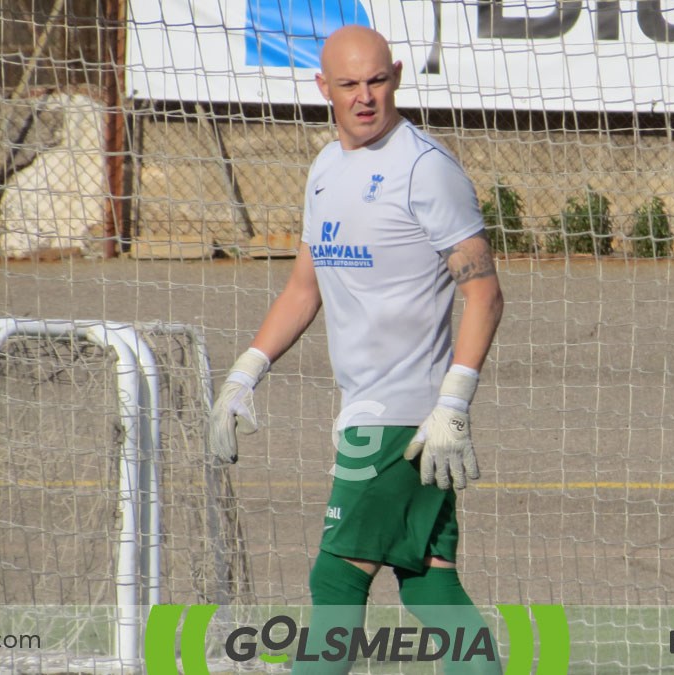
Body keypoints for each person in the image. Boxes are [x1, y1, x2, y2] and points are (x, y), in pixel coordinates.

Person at [208, 25, 504, 673]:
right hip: (369, 409)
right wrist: (244, 374)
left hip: (402, 420)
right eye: (349, 85)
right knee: (429, 580)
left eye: (377, 80)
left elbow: (483, 293)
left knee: (335, 582)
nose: (365, 97)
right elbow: (303, 286)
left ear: (396, 75)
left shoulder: (426, 169)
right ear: (324, 88)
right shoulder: (325, 168)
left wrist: (453, 405)